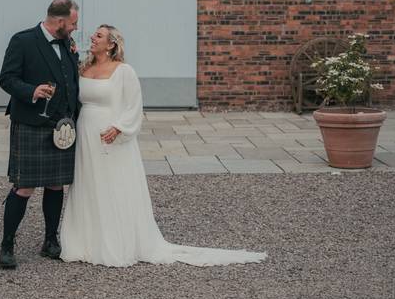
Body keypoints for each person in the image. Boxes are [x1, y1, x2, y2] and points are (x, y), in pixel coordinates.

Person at [59, 25, 267, 267]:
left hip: (111, 137)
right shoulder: (84, 68)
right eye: (94, 34)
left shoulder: (124, 71)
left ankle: (115, 242)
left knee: (111, 186)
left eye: (99, 36)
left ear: (111, 44)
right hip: (86, 134)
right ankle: (85, 241)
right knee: (88, 184)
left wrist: (119, 127)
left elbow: (134, 105)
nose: (92, 38)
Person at [0, 0, 80, 270]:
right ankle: (7, 244)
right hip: (31, 124)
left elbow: (70, 79)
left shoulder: (67, 44)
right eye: (73, 23)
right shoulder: (22, 41)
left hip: (61, 126)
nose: (74, 28)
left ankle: (50, 240)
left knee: (56, 184)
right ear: (59, 22)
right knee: (24, 186)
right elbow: (7, 78)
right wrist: (31, 91)